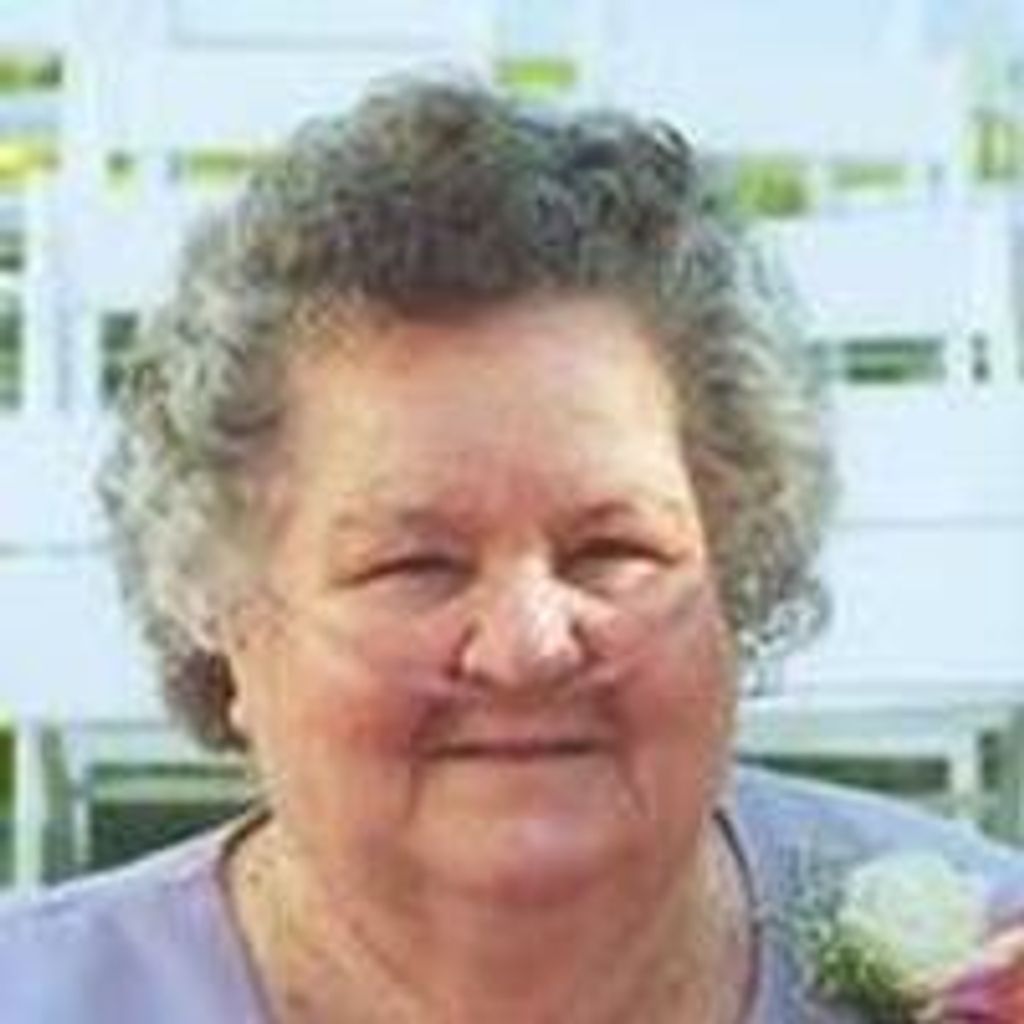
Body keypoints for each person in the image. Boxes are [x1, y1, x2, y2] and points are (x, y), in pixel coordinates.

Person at [0, 75, 1021, 1024]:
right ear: (227, 624)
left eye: (611, 549)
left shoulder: (991, 967)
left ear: (736, 582)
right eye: (416, 565)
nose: (530, 645)